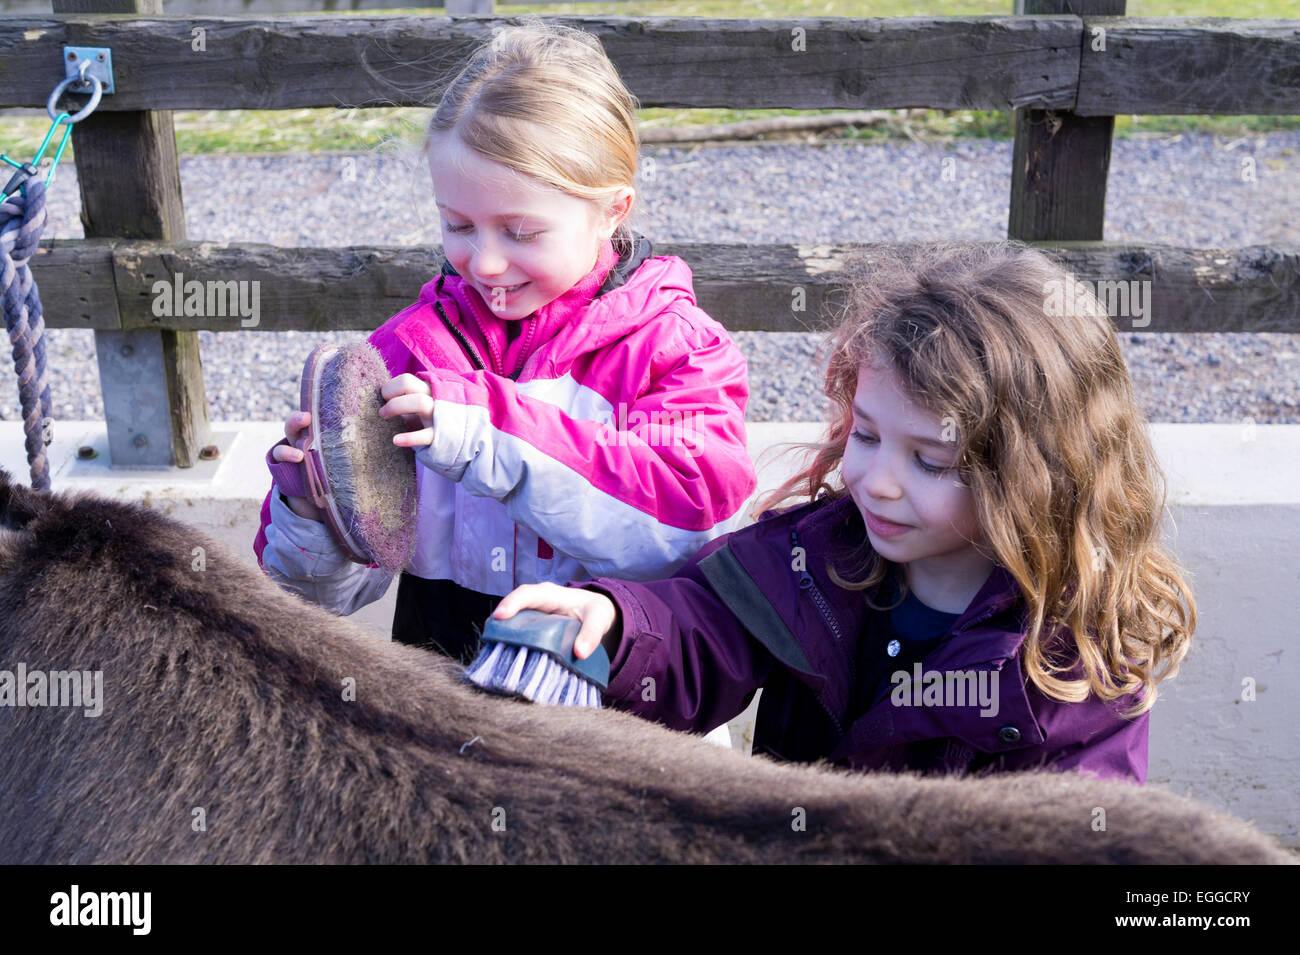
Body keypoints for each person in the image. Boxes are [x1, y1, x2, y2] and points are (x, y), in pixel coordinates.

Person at [492, 242, 1197, 784]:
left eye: (932, 460)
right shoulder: (815, 555)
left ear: (1037, 476)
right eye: (865, 434)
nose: (877, 481)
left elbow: (1085, 836)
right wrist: (615, 627)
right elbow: (701, 627)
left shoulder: (1074, 669)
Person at [253, 20, 756, 663]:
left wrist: (485, 433)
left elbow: (682, 530)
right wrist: (315, 509)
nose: (485, 262)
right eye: (458, 224)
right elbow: (324, 598)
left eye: (519, 232)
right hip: (446, 715)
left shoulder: (679, 354)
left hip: (620, 721)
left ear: (613, 209)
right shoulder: (407, 352)